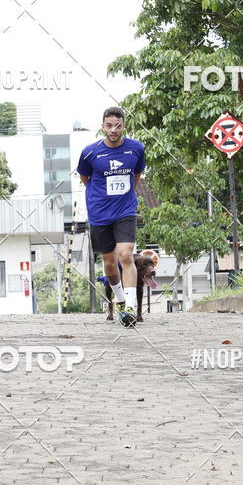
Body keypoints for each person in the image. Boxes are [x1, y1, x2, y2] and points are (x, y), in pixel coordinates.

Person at [76, 107, 146, 327]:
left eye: (117, 125)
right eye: (109, 125)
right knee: (109, 263)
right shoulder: (90, 152)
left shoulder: (136, 149)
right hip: (99, 213)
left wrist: (125, 198)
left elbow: (136, 176)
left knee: (125, 256)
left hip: (125, 211)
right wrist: (103, 197)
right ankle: (122, 301)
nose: (113, 129)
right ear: (102, 126)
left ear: (123, 125)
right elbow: (85, 178)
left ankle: (131, 308)